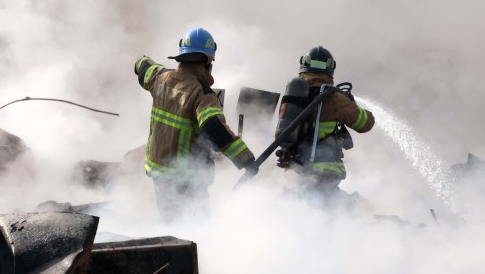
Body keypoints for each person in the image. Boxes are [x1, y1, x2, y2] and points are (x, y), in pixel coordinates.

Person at [134, 27, 256, 221]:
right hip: (186, 181)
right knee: (193, 230)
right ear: (207, 62)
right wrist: (246, 159)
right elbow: (213, 129)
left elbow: (143, 66)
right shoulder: (202, 93)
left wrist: (141, 63)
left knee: (169, 224)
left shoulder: (160, 78)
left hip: (158, 173)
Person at [275, 46, 375, 205]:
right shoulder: (333, 97)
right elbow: (365, 124)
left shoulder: (296, 94)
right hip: (323, 172)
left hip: (295, 170)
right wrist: (350, 103)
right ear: (331, 67)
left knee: (296, 209)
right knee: (351, 210)